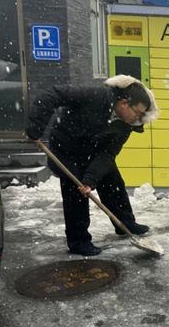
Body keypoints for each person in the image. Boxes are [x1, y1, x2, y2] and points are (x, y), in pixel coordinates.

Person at [26, 75, 159, 257]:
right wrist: (36, 127)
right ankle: (78, 241)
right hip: (66, 151)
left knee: (113, 181)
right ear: (124, 102)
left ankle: (124, 223)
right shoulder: (96, 95)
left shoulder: (125, 125)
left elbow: (107, 154)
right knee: (76, 191)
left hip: (93, 152)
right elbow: (52, 95)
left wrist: (91, 179)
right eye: (137, 112)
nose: (138, 117)